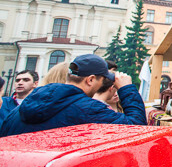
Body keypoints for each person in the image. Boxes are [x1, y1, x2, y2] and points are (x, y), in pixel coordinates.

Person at [0, 54, 147, 137]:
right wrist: (127, 88)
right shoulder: (87, 108)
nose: (102, 84)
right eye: (102, 80)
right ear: (90, 80)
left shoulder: (24, 105)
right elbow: (137, 129)